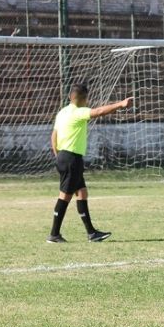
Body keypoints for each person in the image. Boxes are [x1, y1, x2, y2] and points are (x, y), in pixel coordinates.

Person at [48, 84, 133, 243]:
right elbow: (99, 112)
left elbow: (54, 135)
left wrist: (58, 156)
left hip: (64, 157)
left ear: (70, 97)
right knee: (64, 196)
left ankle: (92, 233)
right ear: (84, 99)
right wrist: (121, 104)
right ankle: (54, 234)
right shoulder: (78, 112)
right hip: (71, 159)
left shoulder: (62, 112)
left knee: (82, 193)